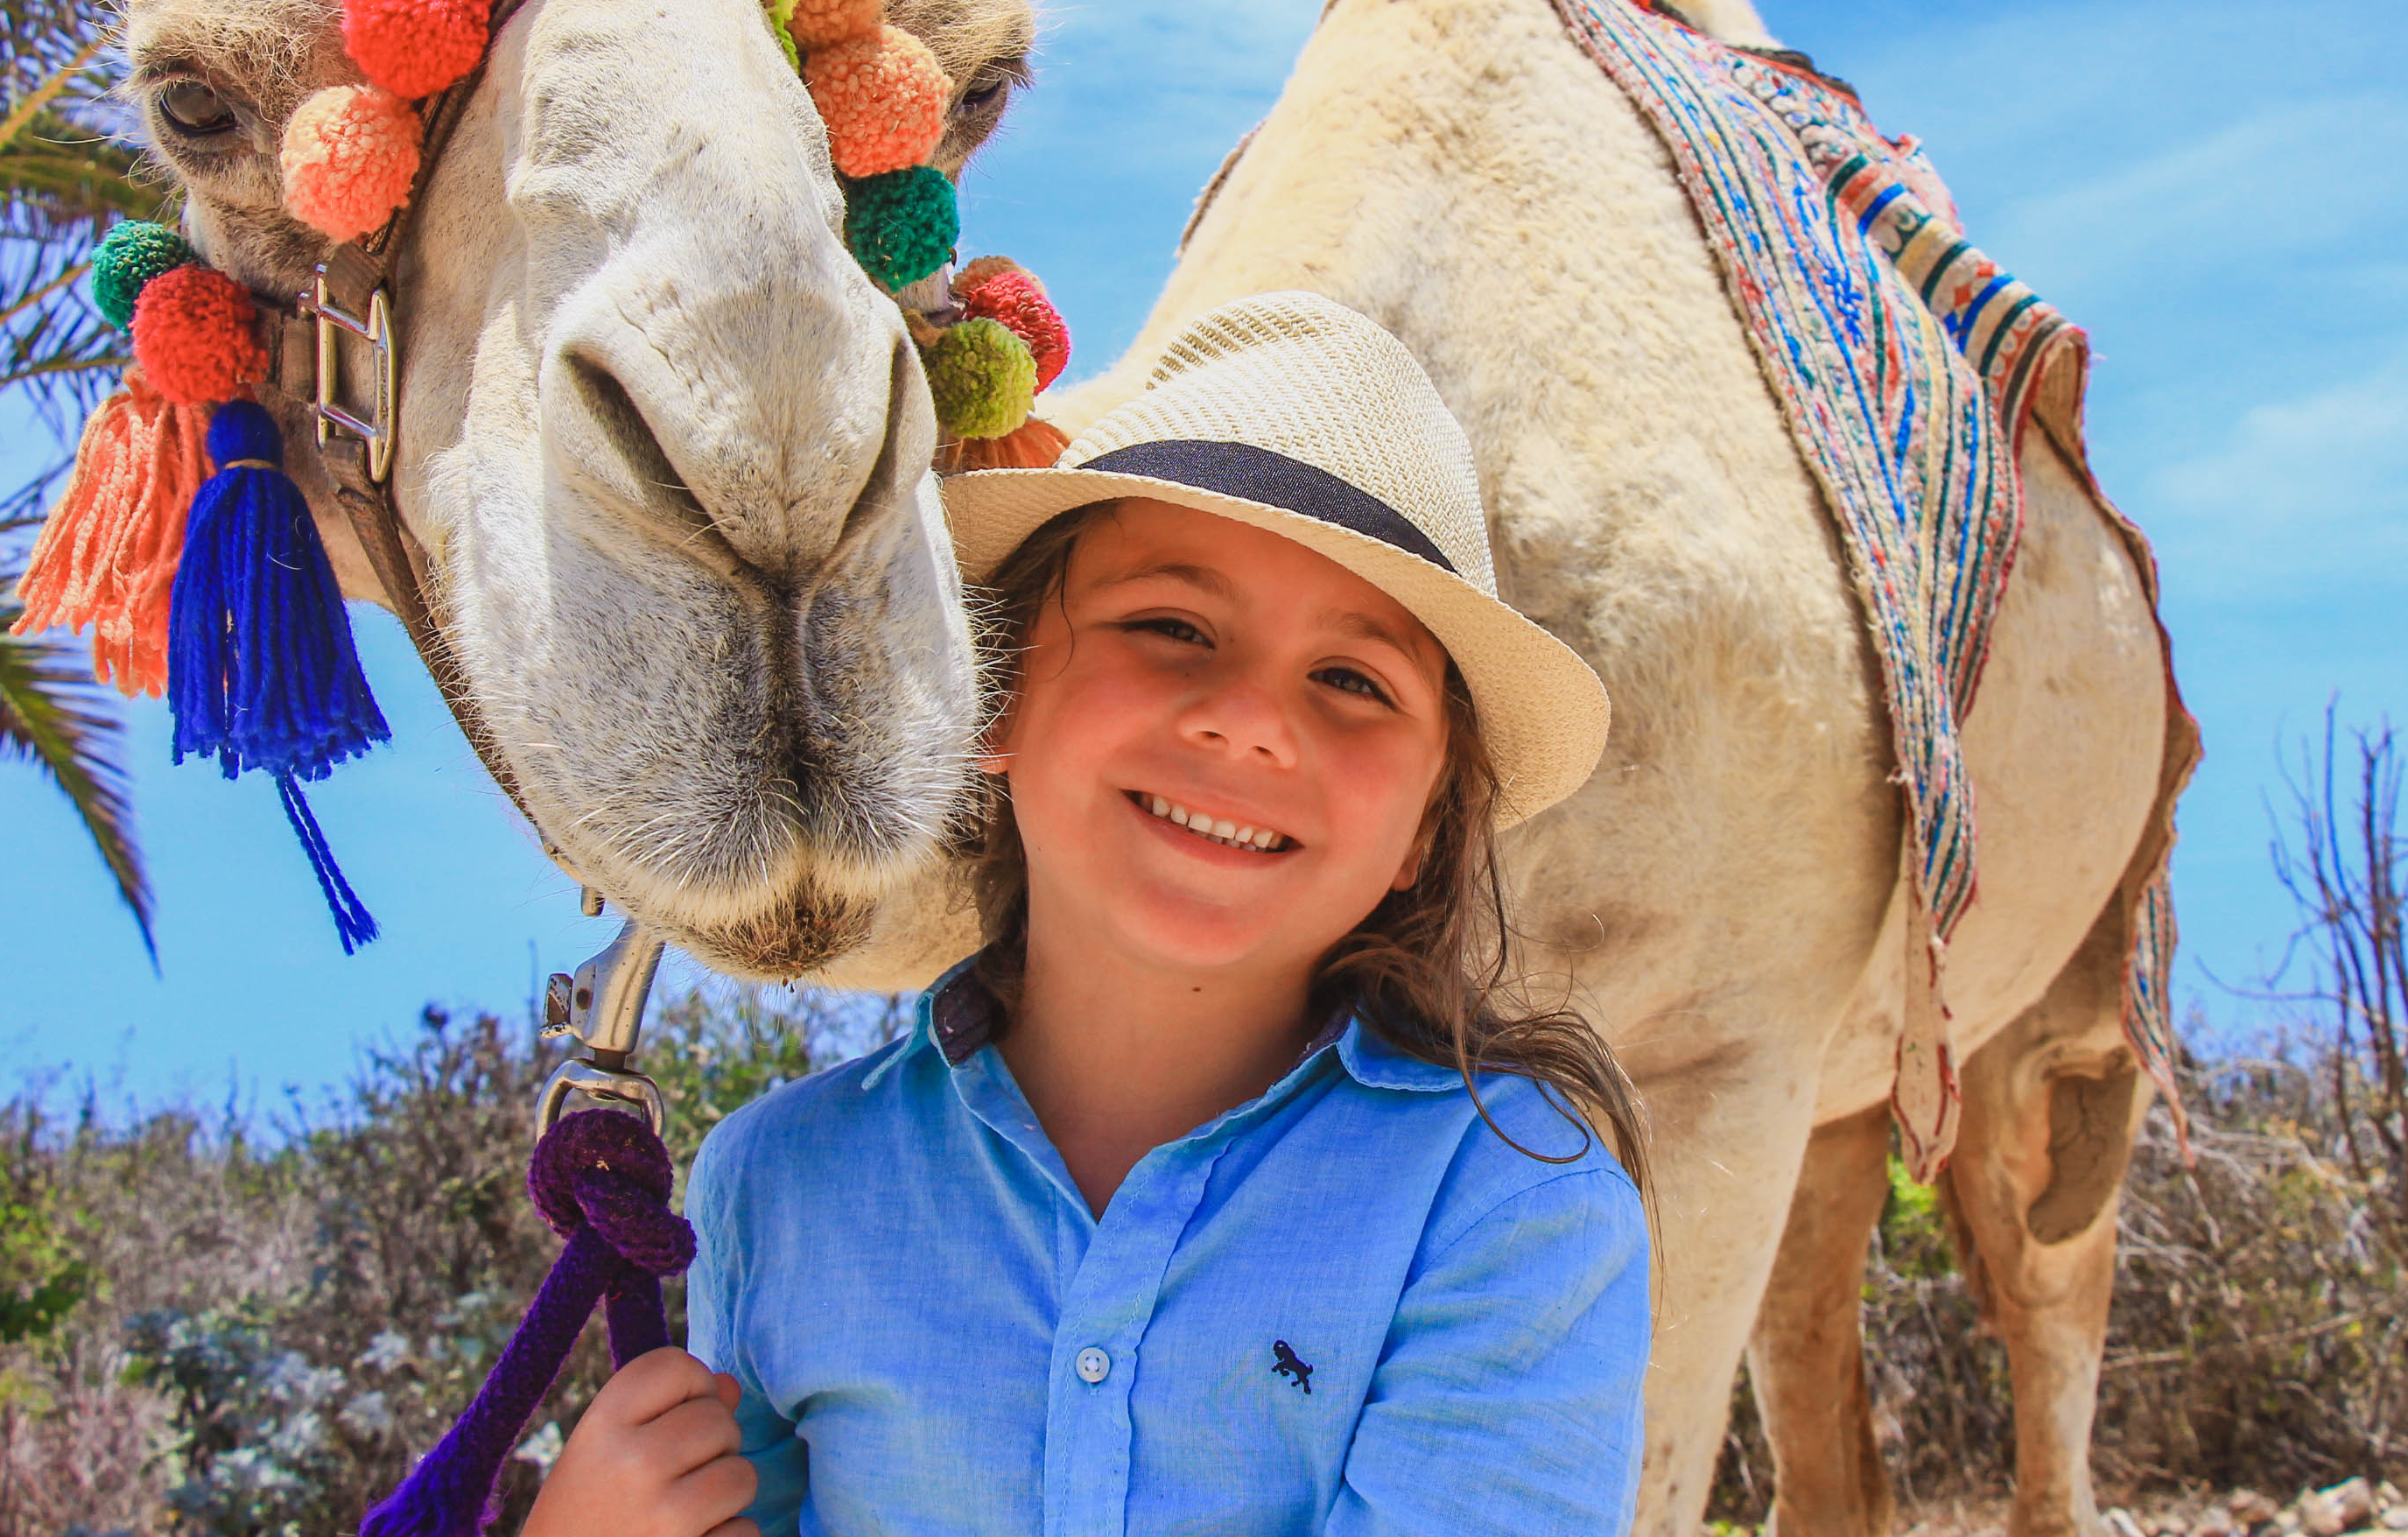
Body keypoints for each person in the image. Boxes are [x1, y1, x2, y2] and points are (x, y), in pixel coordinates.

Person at [523, 291, 1649, 1537]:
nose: (1252, 720)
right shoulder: (779, 1187)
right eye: (1172, 626)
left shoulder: (1502, 1205)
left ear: (1428, 828)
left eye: (1350, 679)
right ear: (989, 692)